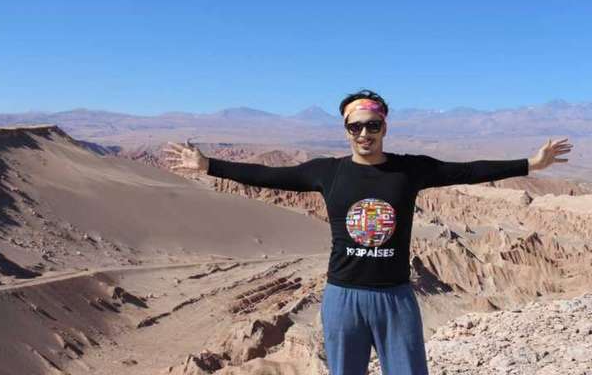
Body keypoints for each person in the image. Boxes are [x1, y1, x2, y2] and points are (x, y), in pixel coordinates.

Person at [162, 89, 573, 375]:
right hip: (343, 298)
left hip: (395, 297)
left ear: (384, 127)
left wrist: (530, 164)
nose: (364, 134)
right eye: (355, 126)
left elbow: (468, 170)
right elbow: (268, 176)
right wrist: (209, 166)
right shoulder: (327, 172)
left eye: (372, 125)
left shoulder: (410, 169)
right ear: (345, 129)